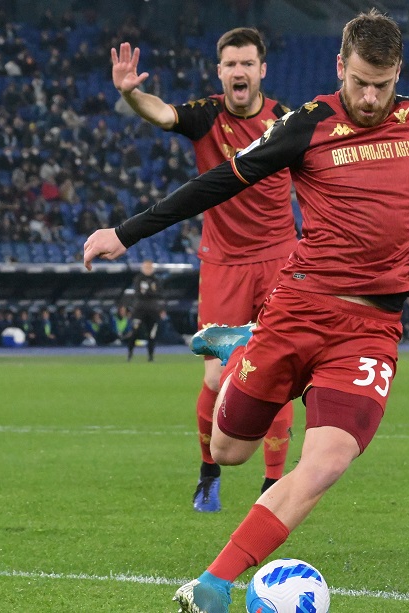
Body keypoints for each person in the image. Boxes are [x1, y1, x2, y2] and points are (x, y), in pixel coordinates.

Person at [83, 10, 409, 612]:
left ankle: (215, 582)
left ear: (398, 75)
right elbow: (221, 181)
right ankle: (242, 347)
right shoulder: (305, 124)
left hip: (371, 328)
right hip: (299, 311)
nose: (369, 97)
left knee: (326, 462)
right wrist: (127, 233)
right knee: (230, 451)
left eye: (381, 85)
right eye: (359, 81)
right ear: (340, 66)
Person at [111, 28, 299, 512]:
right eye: (231, 64)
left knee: (273, 374)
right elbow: (162, 112)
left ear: (262, 70)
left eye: (247, 63)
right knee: (216, 381)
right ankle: (208, 472)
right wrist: (132, 93)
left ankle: (271, 484)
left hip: (280, 260)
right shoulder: (206, 115)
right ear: (220, 72)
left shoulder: (285, 121)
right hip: (223, 264)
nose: (239, 72)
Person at [125, 259, 162, 362]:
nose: (148, 269)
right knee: (134, 332)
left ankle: (151, 357)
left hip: (153, 311)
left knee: (152, 335)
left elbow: (159, 293)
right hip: (139, 310)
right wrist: (151, 292)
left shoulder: (156, 279)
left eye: (150, 267)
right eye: (146, 267)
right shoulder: (138, 279)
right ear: (142, 268)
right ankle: (130, 354)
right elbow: (139, 293)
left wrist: (147, 292)